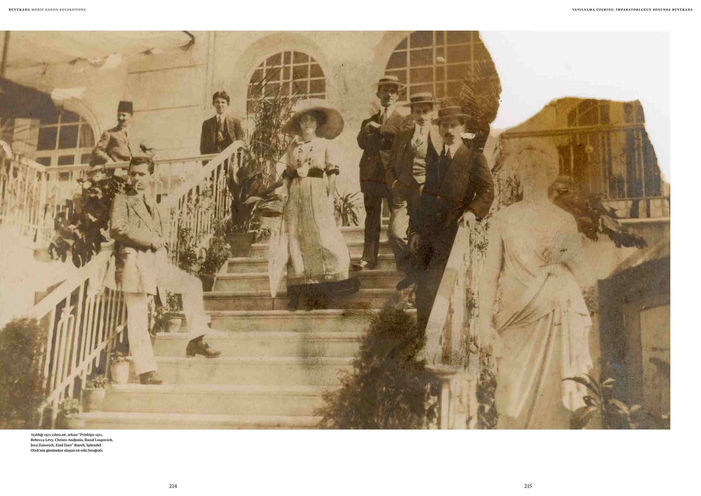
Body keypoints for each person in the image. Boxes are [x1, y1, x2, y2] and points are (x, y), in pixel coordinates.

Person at [476, 143, 593, 429]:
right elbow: (489, 274)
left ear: (551, 174)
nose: (532, 172)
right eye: (526, 166)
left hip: (554, 315)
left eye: (538, 167)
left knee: (552, 401)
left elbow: (584, 275)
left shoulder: (564, 220)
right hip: (514, 317)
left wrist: (567, 256)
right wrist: (483, 321)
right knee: (512, 400)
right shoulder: (502, 220)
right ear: (517, 173)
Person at [105, 156, 221, 385]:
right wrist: (150, 241)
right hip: (134, 264)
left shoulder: (153, 203)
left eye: (141, 174)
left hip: (155, 263)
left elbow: (160, 235)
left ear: (151, 176)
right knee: (138, 317)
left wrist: (160, 247)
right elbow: (117, 228)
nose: (136, 178)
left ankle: (196, 339)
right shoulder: (122, 199)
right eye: (133, 173)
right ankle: (146, 370)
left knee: (192, 284)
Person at [412, 106, 495, 332]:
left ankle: (435, 336)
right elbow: (426, 198)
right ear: (439, 129)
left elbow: (487, 191)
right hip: (430, 235)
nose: (449, 130)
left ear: (462, 128)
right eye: (444, 126)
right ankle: (422, 338)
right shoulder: (435, 160)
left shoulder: (474, 158)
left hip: (454, 231)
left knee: (439, 287)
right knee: (424, 289)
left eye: (453, 125)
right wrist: (416, 230)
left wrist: (471, 212)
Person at [272, 99, 359, 310]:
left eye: (311, 120)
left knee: (322, 235)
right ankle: (299, 291)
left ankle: (327, 288)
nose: (308, 124)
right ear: (299, 123)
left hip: (317, 191)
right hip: (296, 194)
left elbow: (331, 172)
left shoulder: (324, 144)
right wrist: (284, 190)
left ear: (317, 123)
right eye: (304, 120)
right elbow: (288, 173)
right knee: (295, 238)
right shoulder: (293, 146)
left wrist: (330, 195)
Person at [385, 92, 441, 287]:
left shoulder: (439, 136)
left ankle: (419, 275)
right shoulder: (402, 137)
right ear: (412, 113)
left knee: (422, 235)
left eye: (426, 111)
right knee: (395, 233)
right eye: (418, 111)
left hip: (426, 193)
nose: (422, 116)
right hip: (402, 192)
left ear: (432, 113)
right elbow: (390, 168)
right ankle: (409, 270)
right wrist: (394, 185)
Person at [354, 75, 408, 271]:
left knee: (397, 217)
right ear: (378, 94)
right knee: (372, 217)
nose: (388, 94)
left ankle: (402, 259)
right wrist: (367, 129)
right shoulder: (368, 121)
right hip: (371, 175)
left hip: (394, 175)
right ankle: (368, 258)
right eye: (384, 90)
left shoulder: (403, 120)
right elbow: (361, 143)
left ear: (398, 95)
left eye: (393, 91)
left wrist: (380, 128)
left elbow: (402, 138)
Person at [91, 101, 144, 166]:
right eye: (118, 115)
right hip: (117, 169)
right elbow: (97, 151)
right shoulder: (109, 133)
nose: (120, 118)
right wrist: (109, 161)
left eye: (123, 115)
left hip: (132, 169)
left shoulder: (135, 134)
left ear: (131, 116)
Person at [200, 90, 245, 155]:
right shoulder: (207, 124)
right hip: (213, 159)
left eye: (223, 102)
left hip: (231, 159)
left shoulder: (236, 122)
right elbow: (203, 148)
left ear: (228, 104)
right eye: (217, 102)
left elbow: (240, 144)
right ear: (213, 104)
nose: (220, 105)